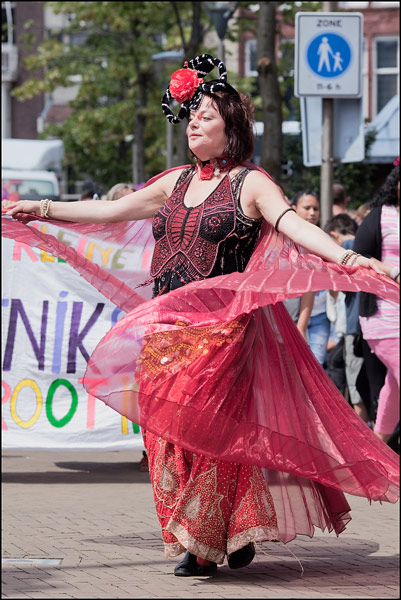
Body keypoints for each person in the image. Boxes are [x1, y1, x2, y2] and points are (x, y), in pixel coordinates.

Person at [2, 54, 399, 578]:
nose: (194, 121)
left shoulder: (251, 184)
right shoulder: (174, 182)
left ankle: (203, 544)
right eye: (191, 114)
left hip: (223, 330)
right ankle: (232, 530)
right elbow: (109, 211)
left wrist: (350, 258)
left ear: (232, 129)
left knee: (209, 432)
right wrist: (40, 208)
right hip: (164, 329)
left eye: (207, 114)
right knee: (166, 437)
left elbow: (297, 230)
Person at [353, 161, 400, 445]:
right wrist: (393, 272)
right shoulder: (381, 216)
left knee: (394, 390)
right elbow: (359, 259)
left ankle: (376, 462)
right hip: (384, 315)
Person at [324, 213, 370, 424]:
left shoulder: (349, 247)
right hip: (366, 325)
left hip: (355, 327)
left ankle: (365, 431)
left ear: (333, 236)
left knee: (356, 385)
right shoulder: (363, 247)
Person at [289, 190, 331, 365]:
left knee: (316, 367)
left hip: (320, 314)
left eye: (316, 208)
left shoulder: (324, 239)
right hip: (289, 316)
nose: (312, 213)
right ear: (293, 209)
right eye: (307, 208)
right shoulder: (285, 240)